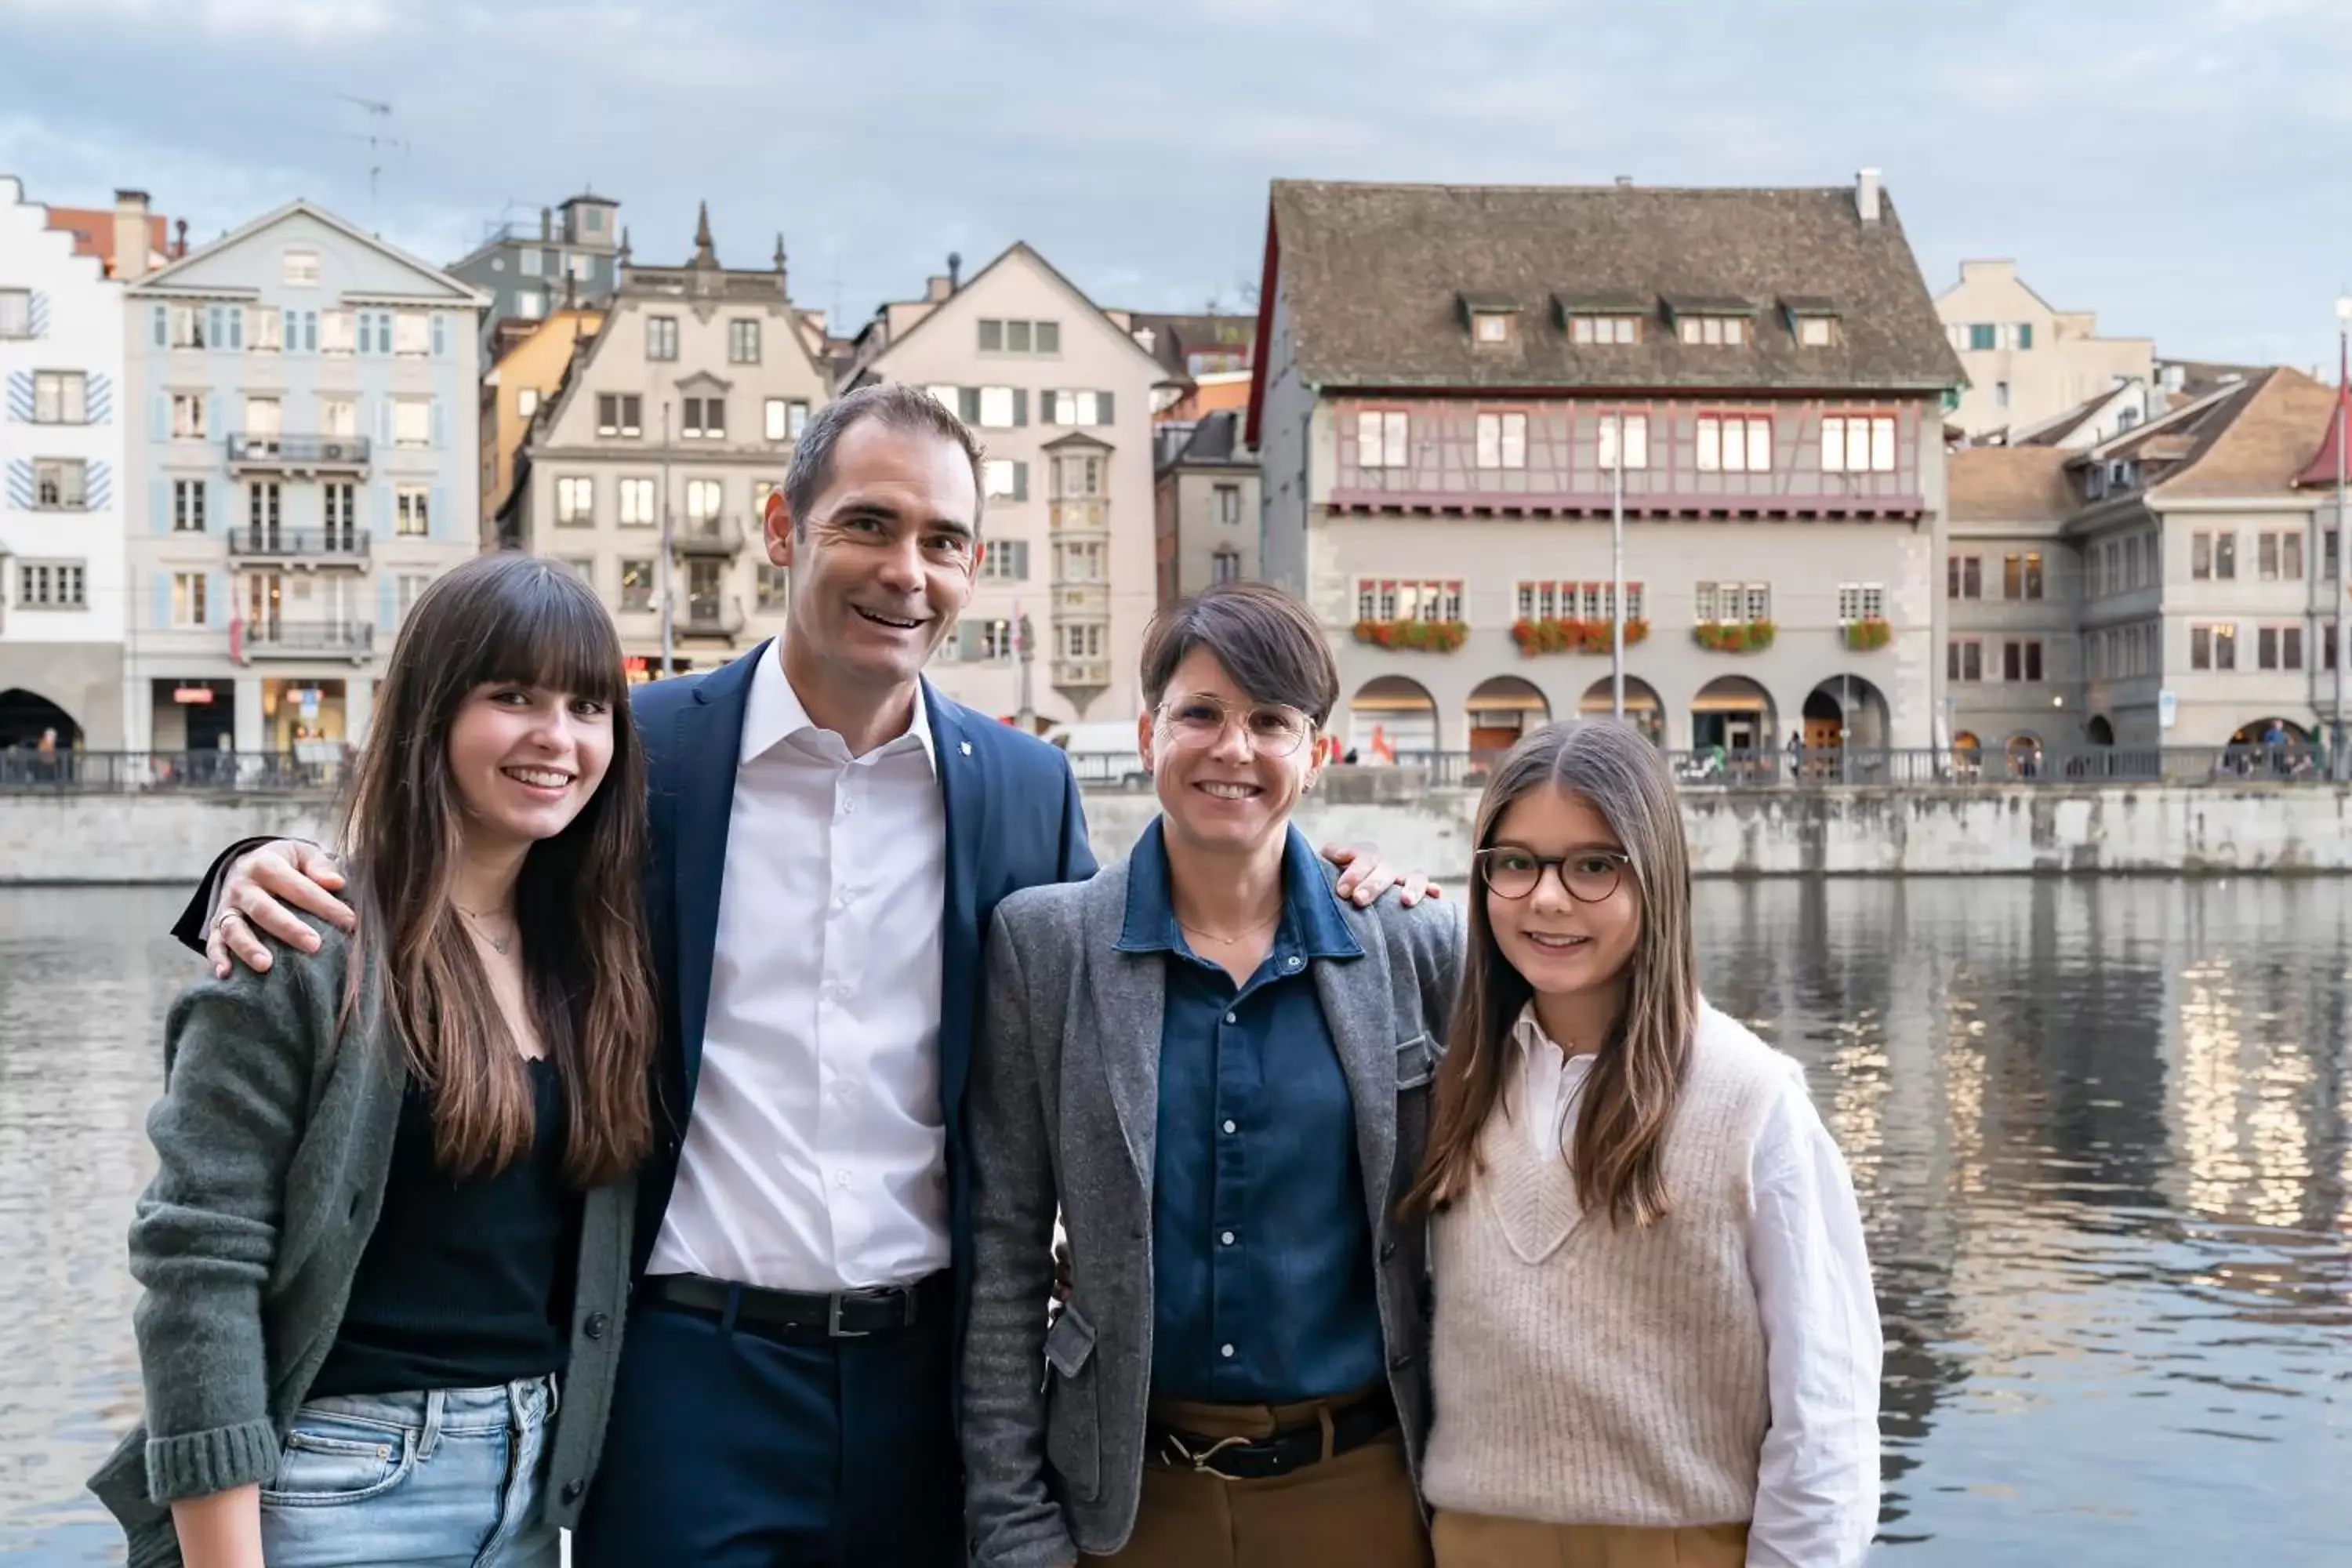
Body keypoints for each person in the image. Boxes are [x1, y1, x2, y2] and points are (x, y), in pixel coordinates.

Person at [172, 384, 1428, 1567]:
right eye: (867, 525)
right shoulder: (641, 753)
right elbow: (469, 870)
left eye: (942, 539)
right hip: (684, 1373)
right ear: (784, 529)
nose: (905, 570)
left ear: (971, 569)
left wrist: (1340, 879)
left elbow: (1134, 953)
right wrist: (253, 863)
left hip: (931, 1379)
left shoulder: (1022, 787)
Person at [89, 553, 656, 1566]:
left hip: (532, 1498)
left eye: (586, 705)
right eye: (512, 696)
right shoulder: (305, 948)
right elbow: (196, 1268)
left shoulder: (592, 962)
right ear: (432, 711)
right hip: (336, 1492)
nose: (556, 738)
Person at [964, 582, 1461, 1568]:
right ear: (1150, 733)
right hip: (1130, 1500)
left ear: (1314, 755)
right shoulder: (1046, 945)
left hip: (1363, 1491)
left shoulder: (1412, 942)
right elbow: (1005, 1254)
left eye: (1270, 721)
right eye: (1201, 713)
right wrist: (1012, 1522)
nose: (1233, 749)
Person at [1401, 720, 1880, 1568]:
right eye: (1514, 862)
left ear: (1654, 875)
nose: (1546, 898)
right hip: (1475, 1542)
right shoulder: (1459, 1084)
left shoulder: (1752, 1098)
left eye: (1593, 865)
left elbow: (1827, 1414)